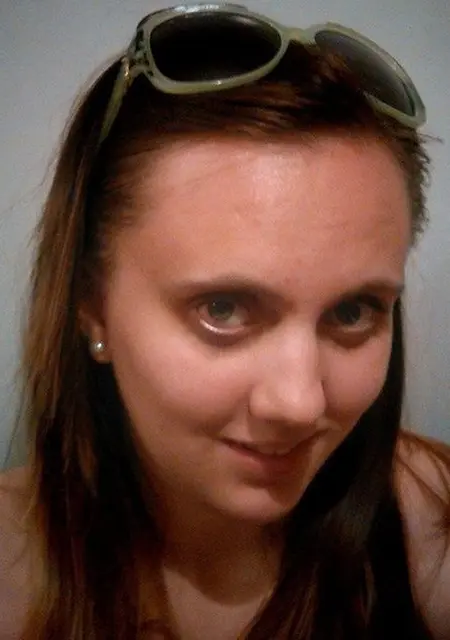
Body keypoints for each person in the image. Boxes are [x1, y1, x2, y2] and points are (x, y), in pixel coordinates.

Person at [0, 4, 449, 639]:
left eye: (353, 311)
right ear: (91, 305)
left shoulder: (429, 520)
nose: (299, 402)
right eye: (223, 309)